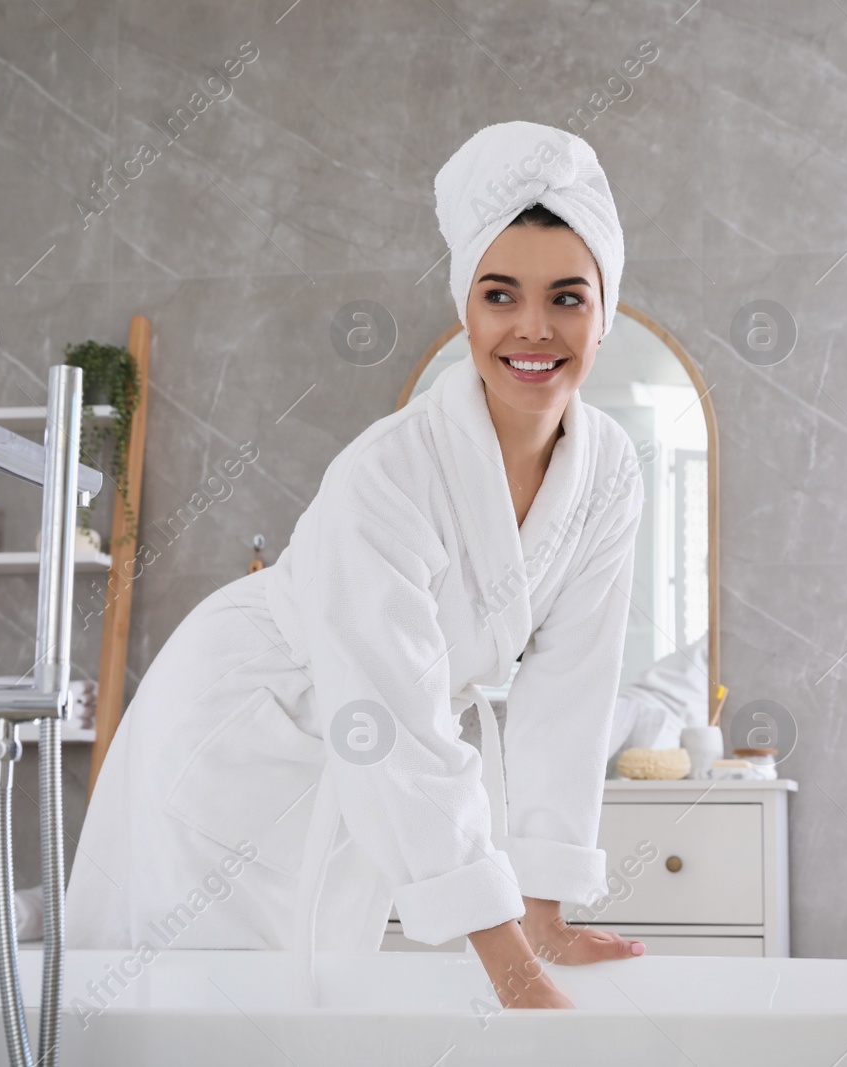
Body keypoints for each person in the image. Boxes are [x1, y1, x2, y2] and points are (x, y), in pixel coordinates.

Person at [67, 120, 645, 1011]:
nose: (534, 328)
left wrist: (543, 910)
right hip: (247, 719)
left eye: (568, 297)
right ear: (466, 311)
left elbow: (570, 692)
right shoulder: (387, 475)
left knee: (315, 1005)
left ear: (606, 311)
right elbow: (391, 718)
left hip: (366, 758)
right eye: (501, 295)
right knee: (209, 1006)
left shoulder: (609, 471)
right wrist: (518, 980)